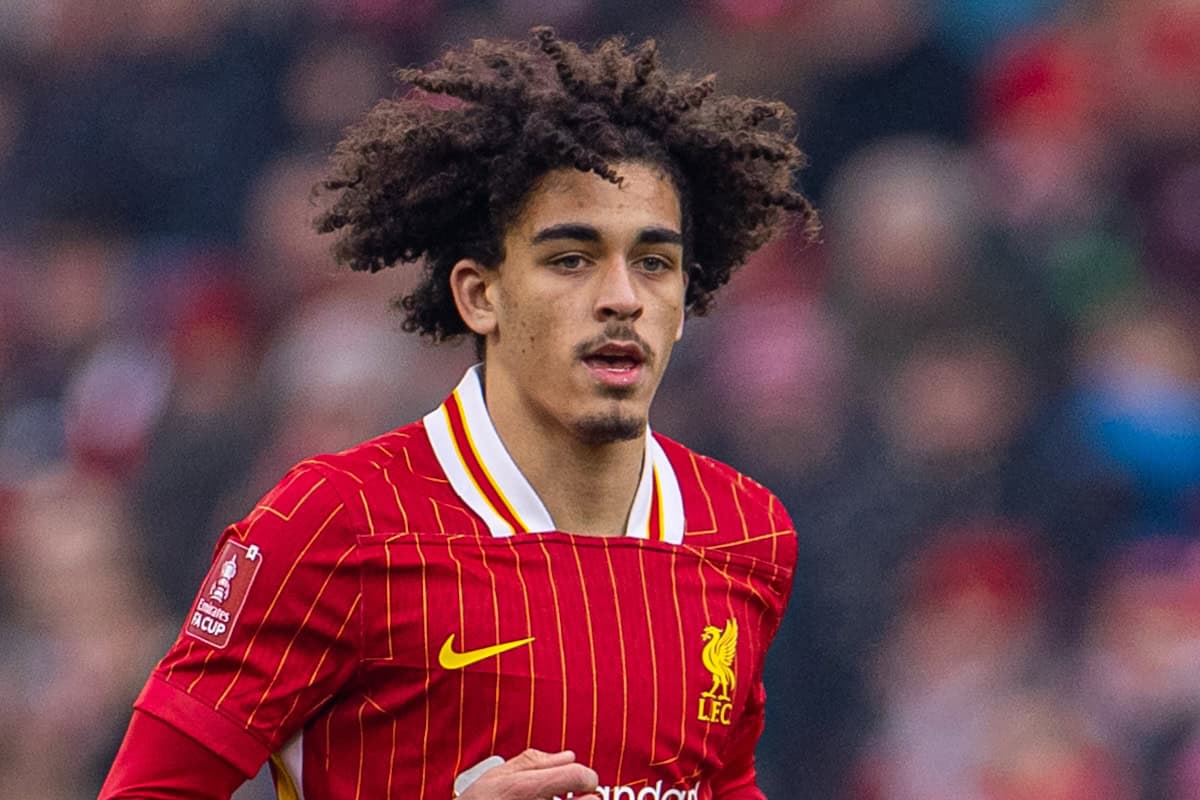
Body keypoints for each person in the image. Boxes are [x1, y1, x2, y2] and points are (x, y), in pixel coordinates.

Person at [100, 27, 818, 800]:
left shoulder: (746, 531)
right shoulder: (337, 523)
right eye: (571, 259)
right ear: (481, 295)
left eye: (654, 261)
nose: (622, 296)